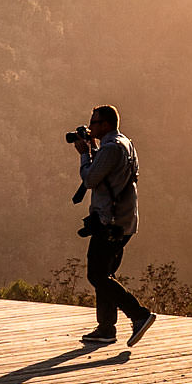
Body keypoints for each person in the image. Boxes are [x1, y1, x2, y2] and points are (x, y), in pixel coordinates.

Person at [70, 105, 155, 347]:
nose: (91, 126)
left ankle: (139, 314)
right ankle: (106, 328)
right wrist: (92, 148)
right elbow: (108, 173)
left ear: (106, 124)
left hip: (108, 221)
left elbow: (90, 179)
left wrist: (84, 154)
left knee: (96, 274)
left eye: (94, 123)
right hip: (125, 221)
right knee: (105, 274)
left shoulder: (110, 148)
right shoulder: (125, 143)